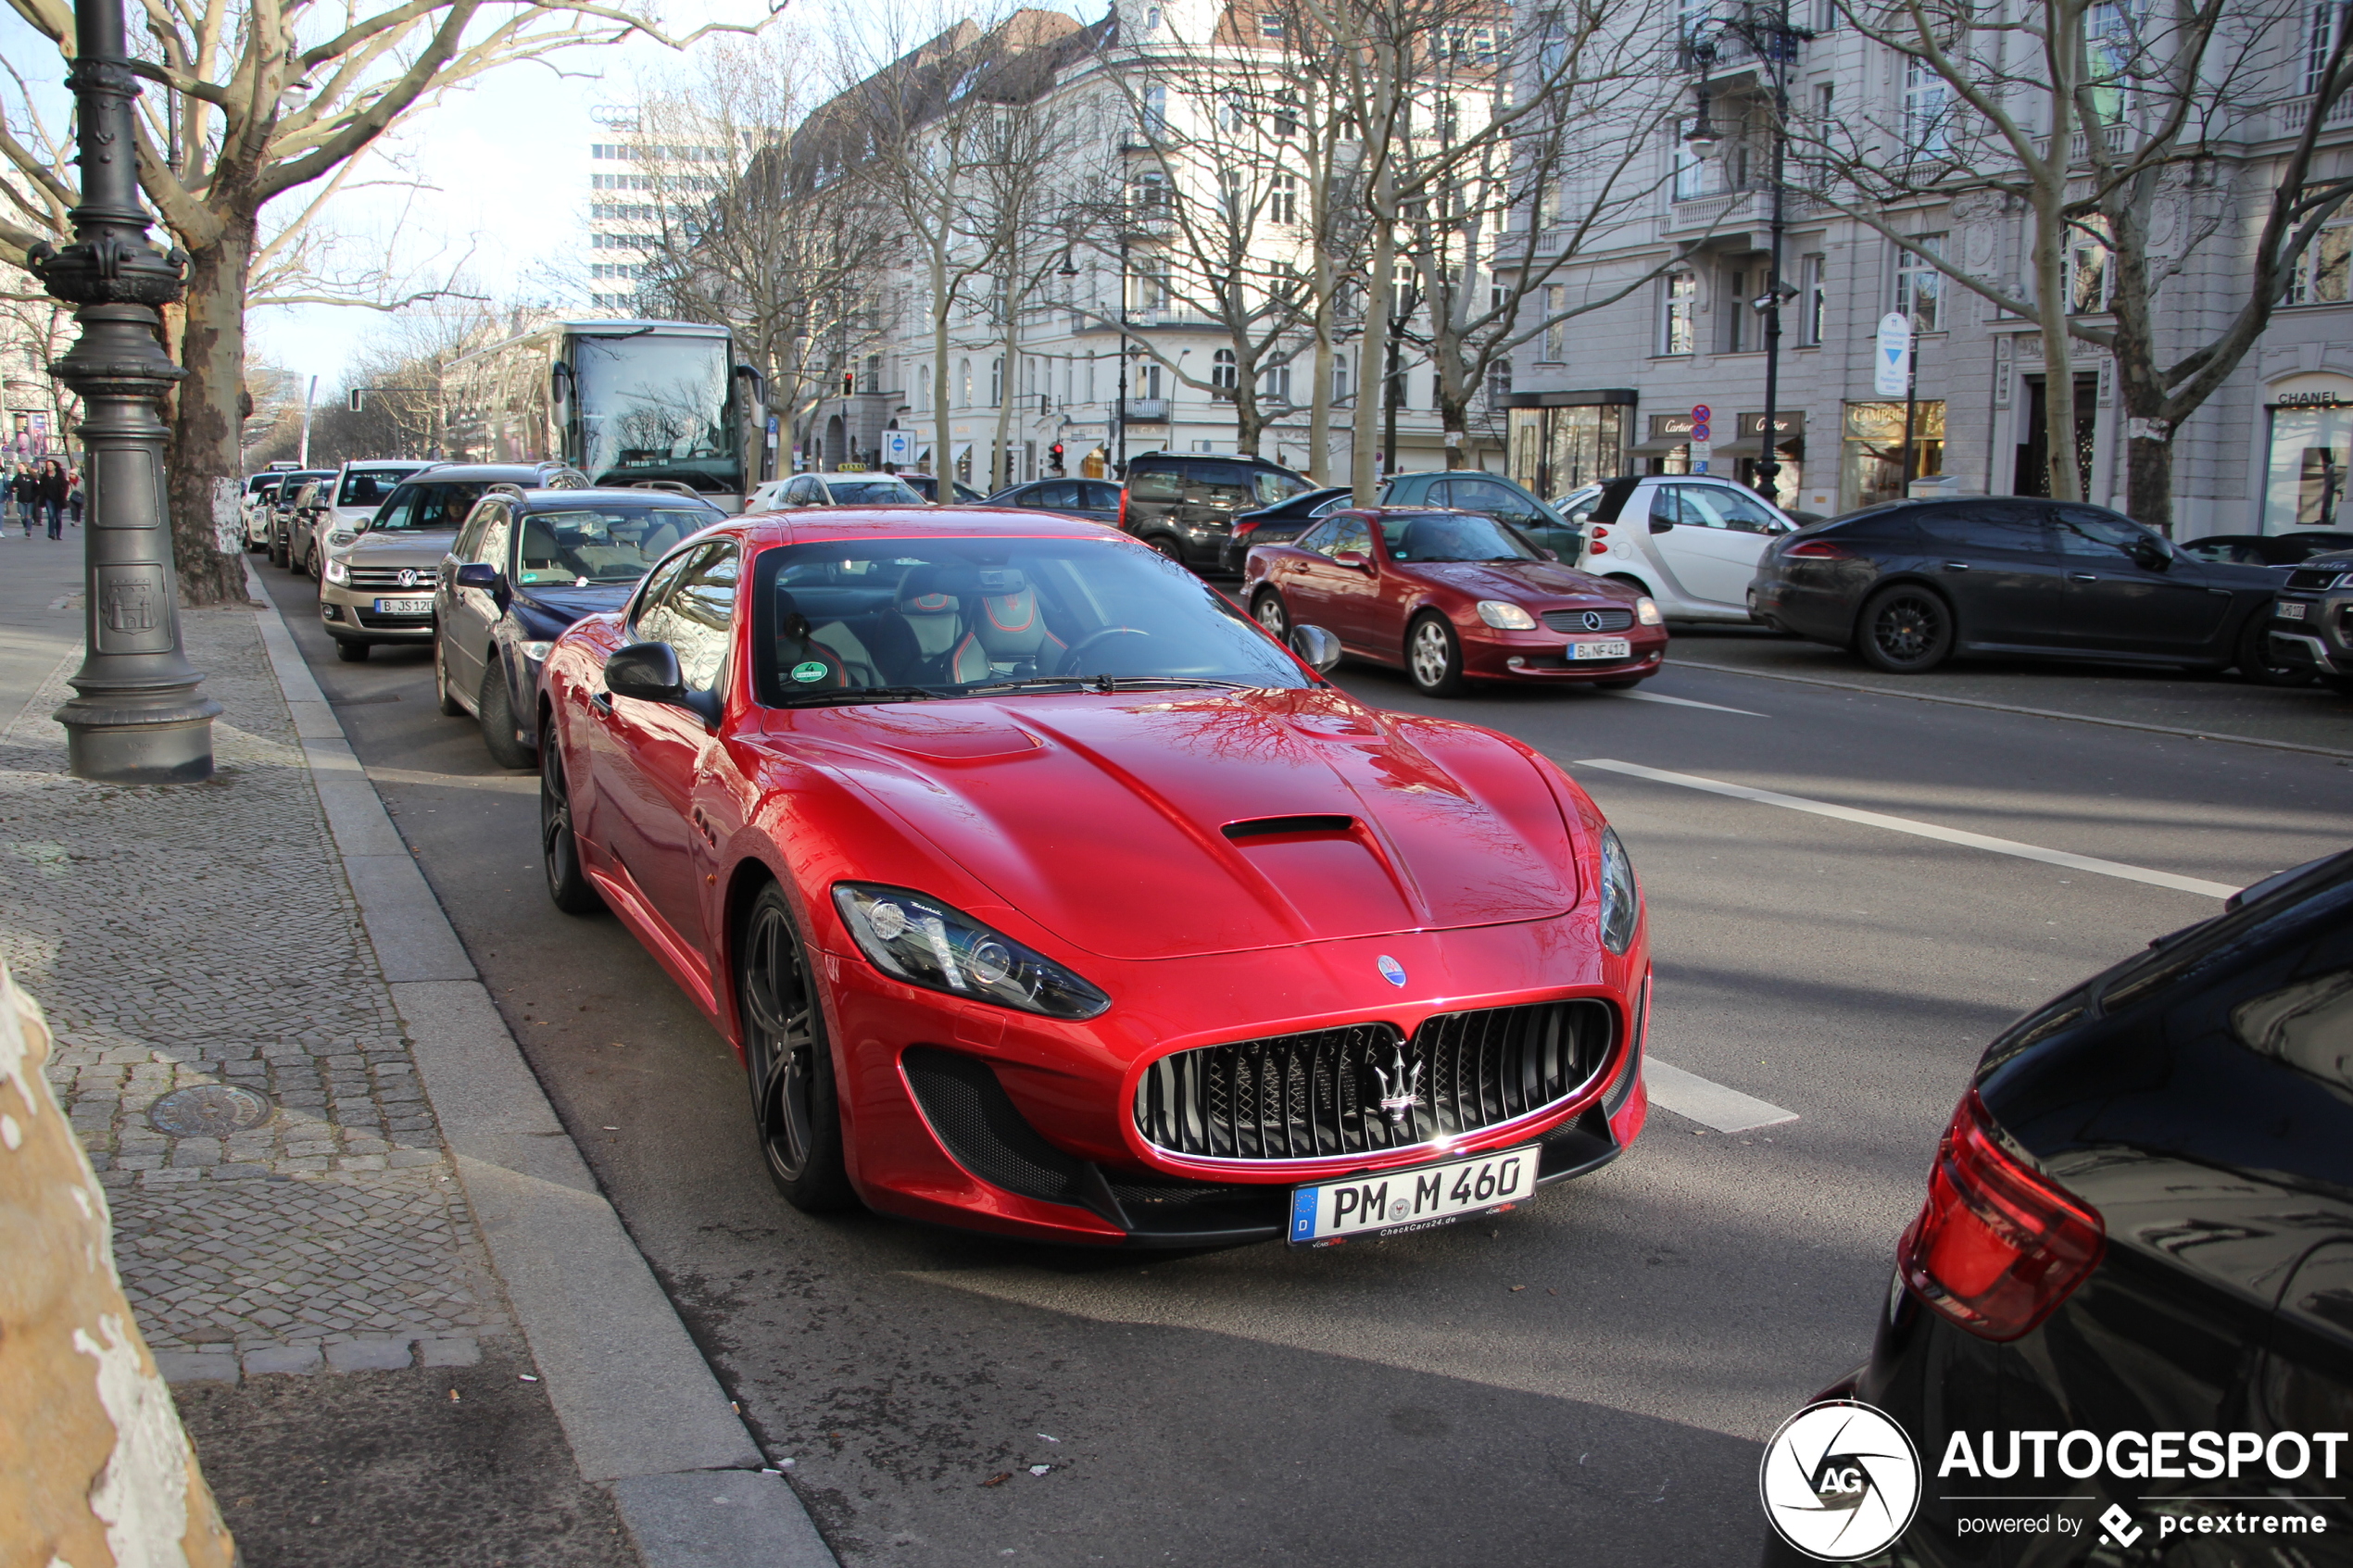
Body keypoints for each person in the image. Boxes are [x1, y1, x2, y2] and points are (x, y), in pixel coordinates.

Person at [37, 459, 68, 539]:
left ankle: (58, 534)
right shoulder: (44, 476)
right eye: (48, 465)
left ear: (55, 466)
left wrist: (64, 495)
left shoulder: (60, 476)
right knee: (51, 515)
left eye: (51, 465)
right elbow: (41, 487)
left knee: (58, 517)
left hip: (59, 498)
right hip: (48, 498)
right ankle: (51, 533)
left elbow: (65, 486)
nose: (49, 467)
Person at [10, 465, 35, 536]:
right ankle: (25, 525)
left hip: (30, 500)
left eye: (21, 466)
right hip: (21, 500)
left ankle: (28, 530)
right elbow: (12, 485)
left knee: (28, 516)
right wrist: (14, 488)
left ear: (25, 467)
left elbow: (36, 487)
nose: (19, 468)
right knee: (23, 517)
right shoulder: (17, 477)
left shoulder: (31, 477)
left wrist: (34, 495)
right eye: (18, 466)